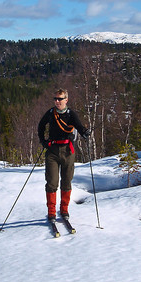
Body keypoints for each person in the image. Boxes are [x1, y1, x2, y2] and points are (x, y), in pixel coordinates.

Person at [38, 88, 89, 221]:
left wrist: (84, 132)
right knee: (52, 182)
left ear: (66, 100)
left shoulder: (71, 114)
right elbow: (40, 126)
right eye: (55, 99)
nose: (57, 101)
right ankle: (51, 211)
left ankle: (64, 209)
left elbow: (79, 126)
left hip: (67, 151)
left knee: (66, 181)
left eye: (60, 99)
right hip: (52, 151)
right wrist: (44, 142)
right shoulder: (50, 113)